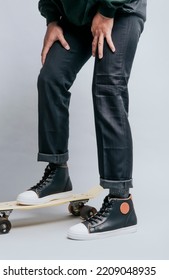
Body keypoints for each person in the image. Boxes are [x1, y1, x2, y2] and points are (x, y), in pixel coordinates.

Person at [16, 0, 146, 240]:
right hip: (78, 18)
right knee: (51, 79)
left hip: (120, 10)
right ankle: (58, 174)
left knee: (108, 87)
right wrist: (52, 19)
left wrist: (107, 11)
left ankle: (121, 203)